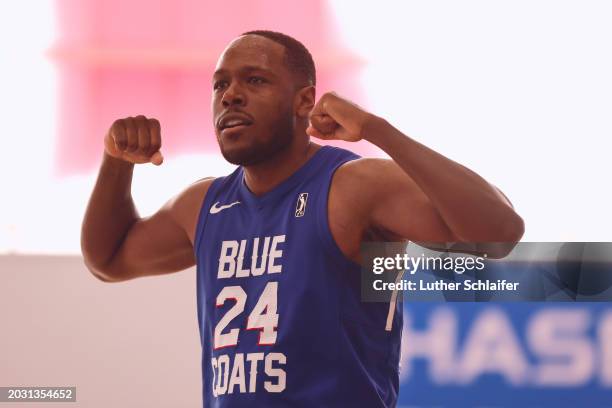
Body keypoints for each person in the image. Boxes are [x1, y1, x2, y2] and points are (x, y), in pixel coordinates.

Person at [81, 30, 524, 407]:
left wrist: (378, 130)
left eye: (254, 80)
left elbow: (499, 231)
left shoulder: (354, 185)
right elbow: (109, 260)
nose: (230, 95)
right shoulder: (204, 204)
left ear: (304, 100)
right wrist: (115, 162)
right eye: (219, 85)